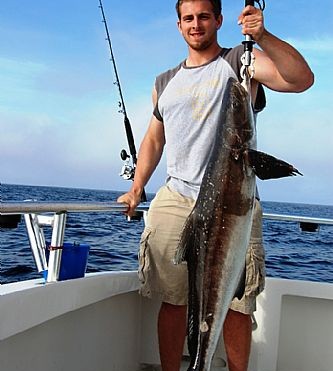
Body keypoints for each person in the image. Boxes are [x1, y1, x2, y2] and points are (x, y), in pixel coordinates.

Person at [118, 1, 314, 370]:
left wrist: (262, 36)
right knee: (173, 298)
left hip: (233, 204)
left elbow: (300, 80)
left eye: (204, 16)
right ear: (179, 25)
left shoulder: (241, 61)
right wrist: (136, 187)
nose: (196, 24)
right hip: (177, 199)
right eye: (188, 18)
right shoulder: (164, 82)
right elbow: (153, 140)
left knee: (238, 303)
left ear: (219, 20)